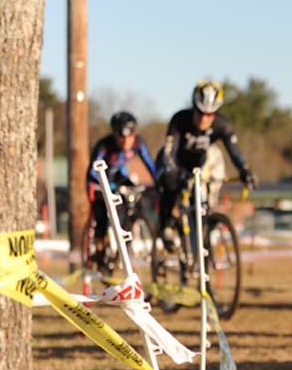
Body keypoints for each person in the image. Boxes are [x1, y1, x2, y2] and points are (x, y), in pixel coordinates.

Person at [156, 80, 257, 246]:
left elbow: (235, 151)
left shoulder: (222, 125)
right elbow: (169, 151)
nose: (204, 118)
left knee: (202, 203)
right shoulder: (180, 120)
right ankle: (167, 227)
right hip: (175, 161)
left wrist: (245, 170)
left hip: (197, 166)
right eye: (200, 112)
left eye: (210, 114)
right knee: (170, 182)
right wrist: (172, 170)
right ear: (194, 108)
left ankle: (202, 243)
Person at [86, 111, 157, 260]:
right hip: (99, 179)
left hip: (119, 177)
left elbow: (150, 165)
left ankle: (127, 228)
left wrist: (158, 182)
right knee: (102, 213)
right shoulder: (104, 145)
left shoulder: (138, 143)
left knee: (132, 196)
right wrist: (105, 187)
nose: (125, 141)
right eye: (121, 137)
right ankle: (100, 246)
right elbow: (92, 172)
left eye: (129, 137)